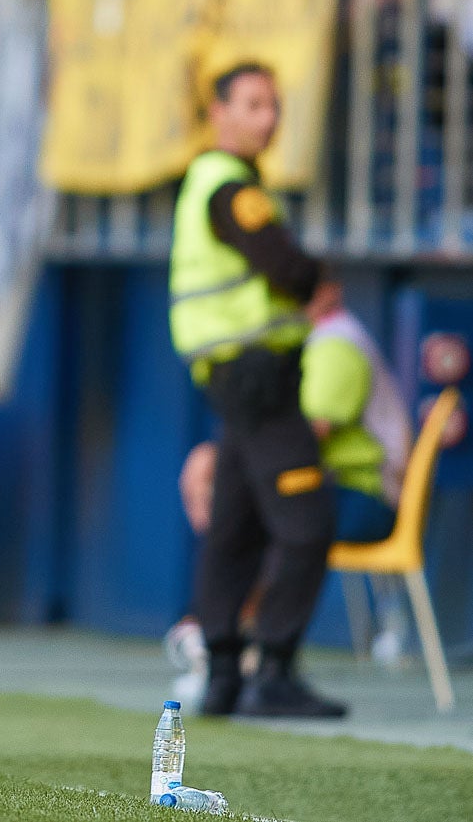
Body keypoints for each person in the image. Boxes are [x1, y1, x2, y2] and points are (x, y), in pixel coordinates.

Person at [169, 61, 349, 719]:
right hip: (255, 373)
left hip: (230, 373)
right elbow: (280, 259)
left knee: (234, 525)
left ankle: (221, 673)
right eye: (250, 104)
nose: (265, 118)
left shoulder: (209, 182)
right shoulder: (227, 184)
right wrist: (316, 282)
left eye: (272, 105)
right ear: (218, 113)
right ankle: (271, 667)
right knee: (307, 520)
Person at [168, 288, 413, 694]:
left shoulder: (337, 344)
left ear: (324, 293)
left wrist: (215, 460)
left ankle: (231, 650)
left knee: (262, 517)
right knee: (254, 506)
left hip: (368, 498)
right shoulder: (315, 343)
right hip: (341, 487)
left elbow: (299, 439)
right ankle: (222, 646)